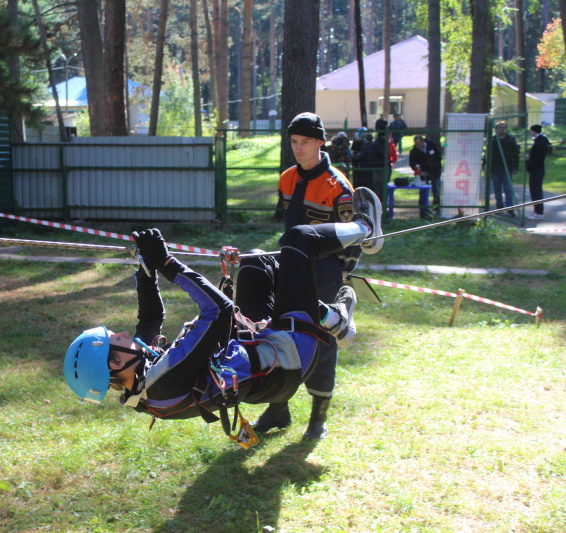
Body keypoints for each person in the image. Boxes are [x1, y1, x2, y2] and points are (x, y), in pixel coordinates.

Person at [63, 189, 384, 440]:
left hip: (263, 352)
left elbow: (149, 320)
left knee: (257, 263)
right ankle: (367, 228)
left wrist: (146, 268)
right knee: (298, 240)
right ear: (116, 362)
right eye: (114, 339)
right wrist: (167, 263)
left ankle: (334, 320)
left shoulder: (139, 378)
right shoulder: (162, 381)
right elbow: (219, 311)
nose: (121, 334)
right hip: (288, 359)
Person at [269, 112, 362, 441]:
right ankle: (277, 407)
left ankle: (318, 418)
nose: (298, 149)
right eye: (294, 142)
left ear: (320, 142)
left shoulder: (339, 187)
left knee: (322, 341)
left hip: (324, 272)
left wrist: (337, 277)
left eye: (305, 142)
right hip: (290, 265)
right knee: (279, 334)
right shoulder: (286, 179)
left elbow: (353, 242)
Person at [489, 122, 520, 216]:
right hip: (495, 168)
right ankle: (499, 207)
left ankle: (510, 208)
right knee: (497, 188)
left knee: (508, 188)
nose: (502, 129)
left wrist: (515, 167)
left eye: (504, 127)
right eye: (500, 127)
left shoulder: (510, 139)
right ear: (496, 129)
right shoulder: (493, 139)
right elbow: (488, 154)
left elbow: (516, 154)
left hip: (507, 167)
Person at [409, 135, 443, 213]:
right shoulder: (414, 151)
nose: (418, 146)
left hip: (435, 172)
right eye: (416, 144)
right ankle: (424, 211)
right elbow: (412, 163)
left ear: (423, 141)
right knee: (423, 192)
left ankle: (436, 209)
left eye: (419, 144)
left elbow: (438, 156)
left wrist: (437, 166)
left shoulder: (431, 145)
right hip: (424, 174)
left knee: (436, 191)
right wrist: (419, 171)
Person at [526, 124, 551, 220]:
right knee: (534, 190)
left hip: (537, 169)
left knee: (536, 190)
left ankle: (539, 212)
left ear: (533, 131)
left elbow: (538, 158)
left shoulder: (540, 142)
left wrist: (530, 165)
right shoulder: (540, 140)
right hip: (536, 168)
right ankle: (536, 211)